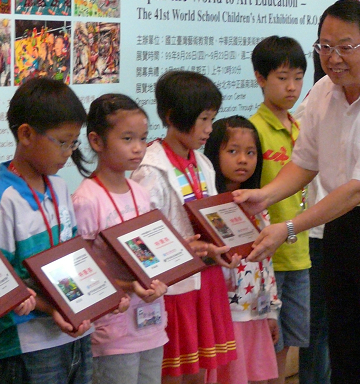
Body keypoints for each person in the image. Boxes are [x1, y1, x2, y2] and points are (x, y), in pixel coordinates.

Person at [235, 0, 360, 384]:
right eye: (324, 46)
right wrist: (267, 195)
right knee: (346, 342)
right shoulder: (324, 91)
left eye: (346, 47)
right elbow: (305, 161)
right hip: (340, 228)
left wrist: (289, 227)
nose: (333, 58)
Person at [0, 77, 94, 384]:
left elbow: (75, 256)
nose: (68, 151)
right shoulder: (0, 199)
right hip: (28, 346)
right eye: (62, 142)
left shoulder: (60, 187)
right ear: (26, 134)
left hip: (76, 335)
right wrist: (52, 308)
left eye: (74, 142)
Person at [131, 70, 238, 384]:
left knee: (200, 373)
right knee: (172, 373)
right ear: (172, 116)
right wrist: (184, 249)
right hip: (174, 288)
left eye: (212, 119)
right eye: (203, 119)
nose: (209, 129)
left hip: (207, 280)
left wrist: (226, 246)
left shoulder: (202, 163)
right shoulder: (150, 168)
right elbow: (141, 238)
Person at [72, 94, 168, 384]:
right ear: (97, 141)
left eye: (142, 138)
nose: (138, 148)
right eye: (127, 139)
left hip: (151, 322)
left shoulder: (140, 192)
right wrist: (128, 286)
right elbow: (82, 271)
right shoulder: (87, 199)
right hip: (111, 330)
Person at [249, 35, 310, 384]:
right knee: (264, 340)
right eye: (282, 77)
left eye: (298, 78)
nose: (292, 87)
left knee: (290, 340)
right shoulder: (254, 130)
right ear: (260, 78)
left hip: (299, 250)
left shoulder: (301, 128)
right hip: (267, 255)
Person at [203, 116, 281, 384]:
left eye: (250, 153)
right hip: (226, 315)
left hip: (255, 312)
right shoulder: (207, 206)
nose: (243, 160)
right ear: (214, 152)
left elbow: (266, 264)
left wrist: (271, 310)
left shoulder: (259, 205)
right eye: (233, 151)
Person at [293, 52, 331, 384]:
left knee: (331, 324)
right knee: (317, 326)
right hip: (316, 231)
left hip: (338, 226)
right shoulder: (315, 102)